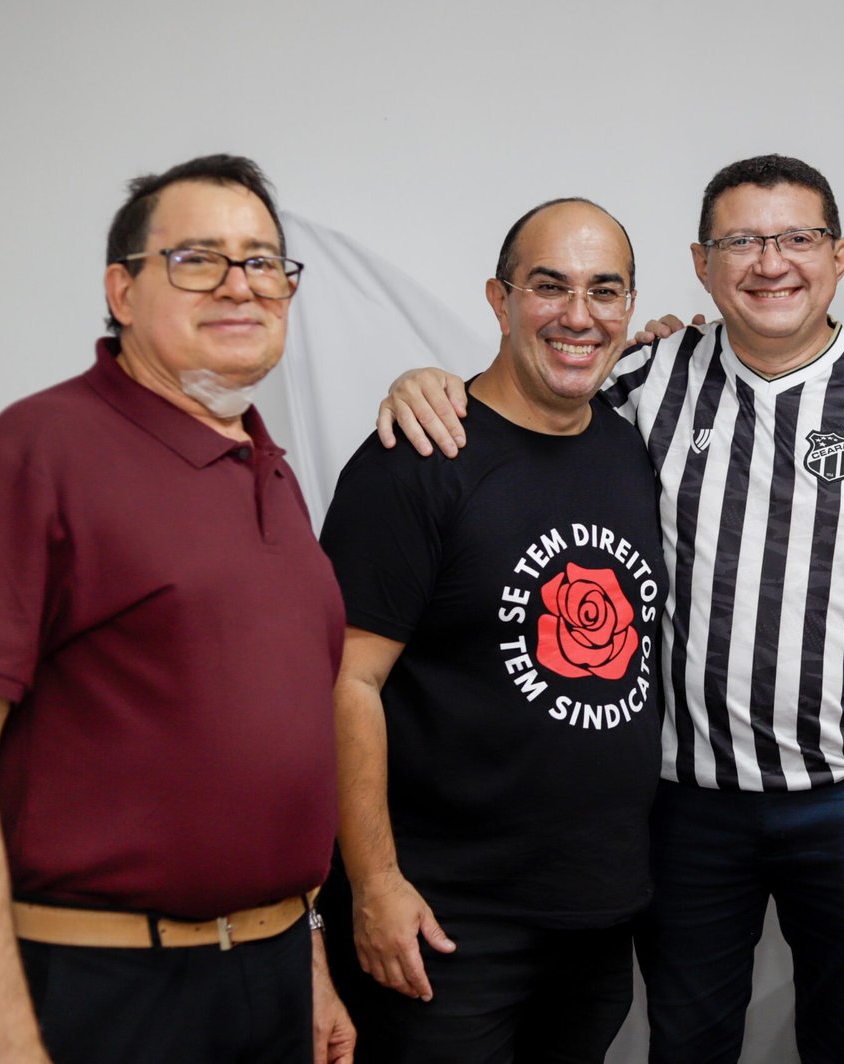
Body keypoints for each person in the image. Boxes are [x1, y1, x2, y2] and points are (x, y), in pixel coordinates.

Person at [378, 154, 844, 1064]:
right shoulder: (644, 379)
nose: (771, 262)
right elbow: (523, 405)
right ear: (702, 264)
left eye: (797, 238)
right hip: (684, 803)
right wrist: (425, 382)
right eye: (741, 241)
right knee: (688, 1043)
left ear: (840, 256)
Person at [0, 154, 354, 1064]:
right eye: (198, 259)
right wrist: (1, 1035)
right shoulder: (34, 454)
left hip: (273, 975)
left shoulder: (271, 472)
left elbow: (273, 766)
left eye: (263, 261)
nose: (240, 285)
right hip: (110, 993)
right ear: (121, 291)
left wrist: (308, 957)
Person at [316, 198, 663, 1062]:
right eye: (549, 286)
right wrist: (375, 884)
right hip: (444, 920)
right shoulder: (417, 460)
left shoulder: (630, 453)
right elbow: (342, 681)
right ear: (499, 300)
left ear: (629, 307)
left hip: (596, 916)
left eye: (604, 290)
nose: (579, 315)